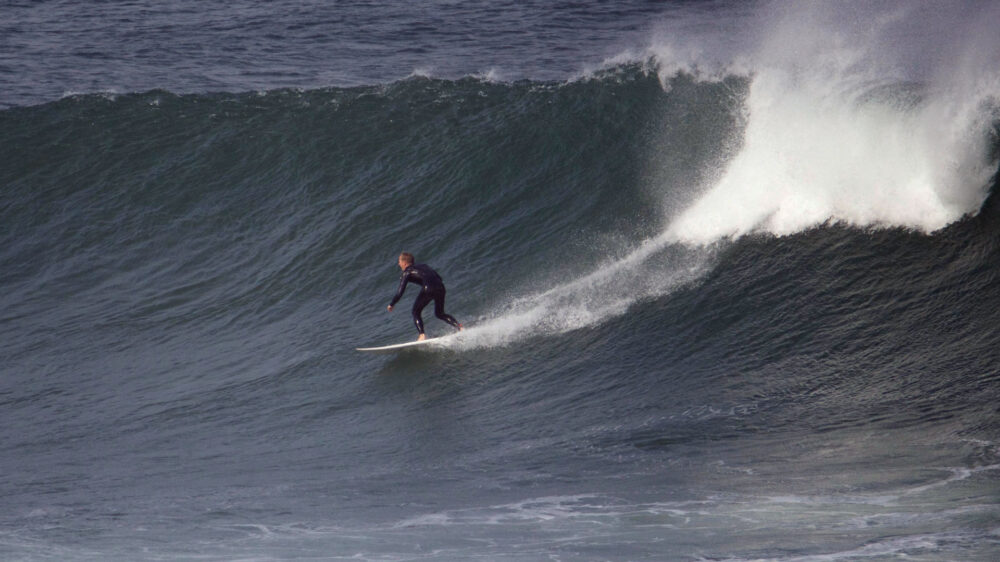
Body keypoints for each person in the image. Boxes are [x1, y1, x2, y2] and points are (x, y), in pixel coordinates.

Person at [387, 252, 462, 340]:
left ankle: (422, 335)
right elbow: (438, 277)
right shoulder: (424, 265)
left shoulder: (407, 272)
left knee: (415, 312)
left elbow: (400, 292)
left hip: (429, 289)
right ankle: (460, 327)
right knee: (440, 313)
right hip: (441, 287)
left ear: (404, 263)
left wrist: (392, 304)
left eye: (399, 262)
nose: (399, 264)